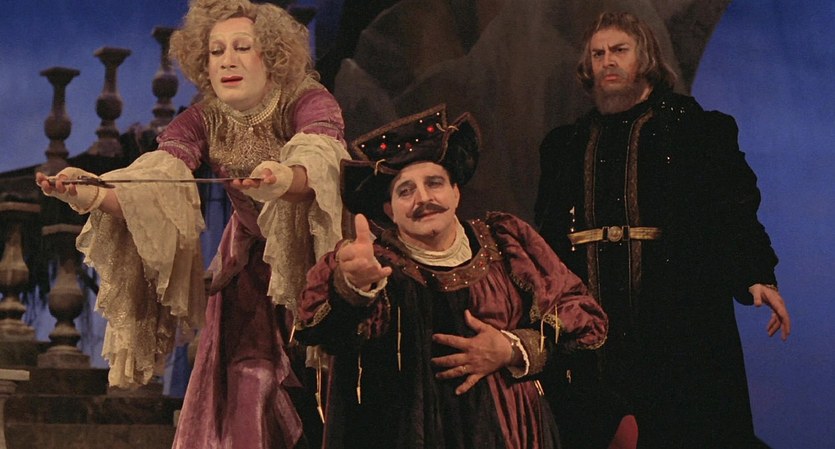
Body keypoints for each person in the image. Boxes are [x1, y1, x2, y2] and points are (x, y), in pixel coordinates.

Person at [36, 1, 349, 448]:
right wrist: (90, 194)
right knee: (250, 379)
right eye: (216, 51)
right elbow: (158, 181)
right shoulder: (204, 118)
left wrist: (284, 178)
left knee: (325, 385)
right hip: (250, 273)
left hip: (318, 260)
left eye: (242, 47)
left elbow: (319, 160)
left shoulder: (307, 99)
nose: (227, 61)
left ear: (273, 55)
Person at [534, 11, 792, 449]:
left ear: (646, 57)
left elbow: (731, 208)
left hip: (677, 322)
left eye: (619, 50)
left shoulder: (692, 129)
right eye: (598, 54)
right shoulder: (566, 146)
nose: (607, 61)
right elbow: (547, 235)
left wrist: (755, 274)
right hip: (594, 330)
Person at [294, 104, 608, 449]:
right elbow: (324, 333)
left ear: (456, 192)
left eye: (434, 183)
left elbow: (583, 318)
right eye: (405, 191)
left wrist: (511, 348)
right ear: (389, 210)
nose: (423, 198)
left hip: (511, 432)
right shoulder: (375, 263)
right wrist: (354, 287)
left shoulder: (506, 242)